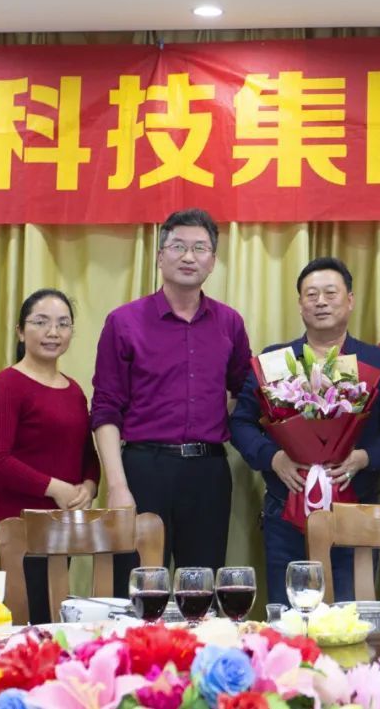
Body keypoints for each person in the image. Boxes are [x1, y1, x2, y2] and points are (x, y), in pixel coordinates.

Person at [230, 257, 380, 605]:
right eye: (311, 294)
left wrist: (364, 457)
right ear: (300, 304)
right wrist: (274, 458)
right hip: (285, 511)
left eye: (331, 293)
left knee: (351, 617)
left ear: (350, 300)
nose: (321, 302)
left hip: (355, 510)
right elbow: (241, 422)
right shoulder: (276, 361)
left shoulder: (376, 363)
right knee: (289, 617)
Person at [92, 208, 252, 585]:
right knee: (138, 587)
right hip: (145, 470)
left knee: (202, 589)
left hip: (208, 472)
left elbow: (244, 390)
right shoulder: (123, 321)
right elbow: (105, 408)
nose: (188, 256)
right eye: (178, 246)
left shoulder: (229, 323)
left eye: (200, 248)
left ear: (212, 261)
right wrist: (117, 485)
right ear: (160, 256)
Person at [0, 288, 100, 622]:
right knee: (11, 628)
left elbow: (87, 454)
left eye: (63, 324)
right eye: (41, 322)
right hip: (9, 528)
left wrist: (89, 486)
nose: (53, 332)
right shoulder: (6, 386)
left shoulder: (74, 391)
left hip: (57, 530)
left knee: (49, 623)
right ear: (20, 331)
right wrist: (55, 488)